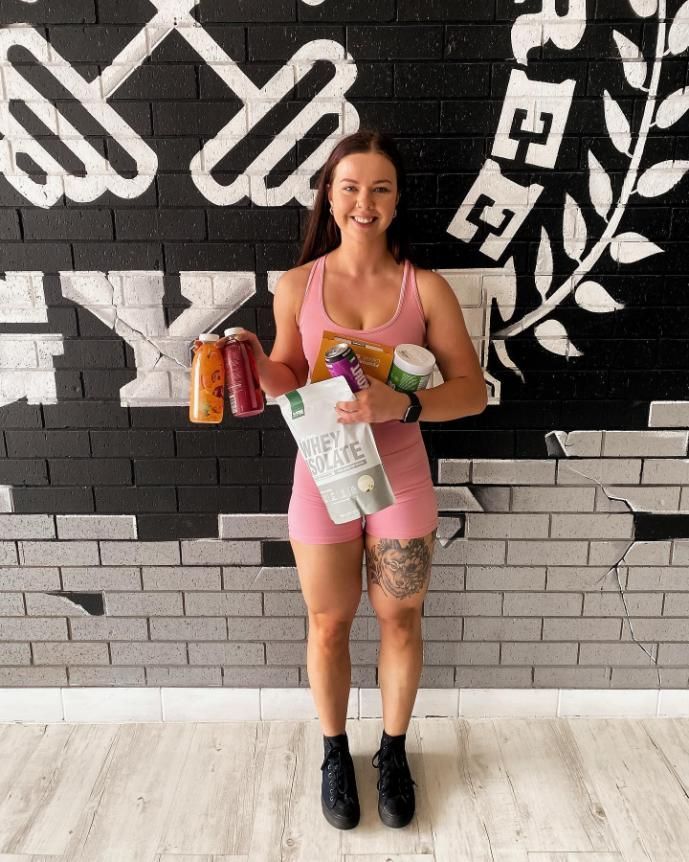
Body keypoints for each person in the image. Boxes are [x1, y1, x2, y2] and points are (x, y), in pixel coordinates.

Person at [232, 130, 487, 830]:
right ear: (328, 194)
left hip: (400, 474)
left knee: (400, 617)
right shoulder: (298, 284)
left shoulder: (423, 288)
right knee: (327, 622)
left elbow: (472, 392)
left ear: (397, 199)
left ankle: (394, 752)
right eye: (349, 187)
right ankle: (335, 753)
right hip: (323, 475)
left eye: (378, 188)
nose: (362, 202)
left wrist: (400, 404)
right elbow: (289, 378)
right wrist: (258, 360)